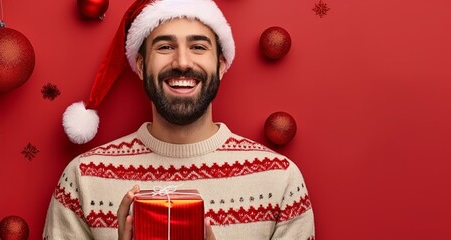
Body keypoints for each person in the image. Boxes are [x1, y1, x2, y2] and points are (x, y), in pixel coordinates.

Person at [43, 0, 315, 239]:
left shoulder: (280, 179)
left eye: (198, 46)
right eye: (165, 46)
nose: (182, 61)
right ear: (140, 65)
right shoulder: (83, 178)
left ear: (220, 64)